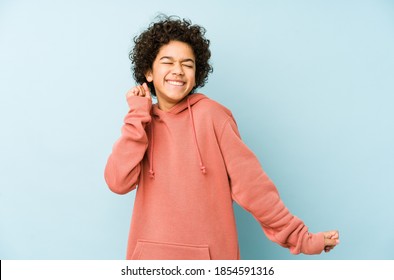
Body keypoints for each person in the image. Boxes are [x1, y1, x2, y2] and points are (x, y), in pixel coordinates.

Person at [104, 15, 339, 260]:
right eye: (167, 62)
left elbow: (254, 187)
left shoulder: (214, 117)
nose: (178, 71)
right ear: (148, 72)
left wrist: (302, 238)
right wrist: (137, 114)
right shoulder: (140, 122)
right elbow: (117, 182)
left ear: (197, 73)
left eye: (187, 64)